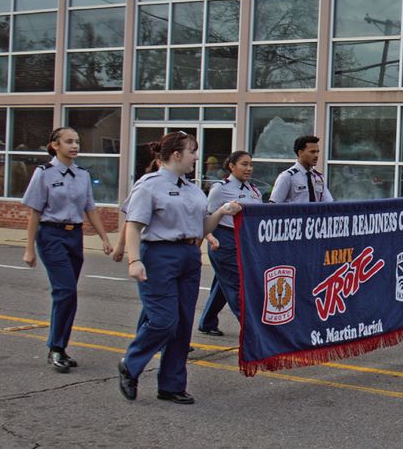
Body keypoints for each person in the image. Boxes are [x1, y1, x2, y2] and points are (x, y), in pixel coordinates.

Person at [117, 132, 240, 404]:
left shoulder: (192, 188)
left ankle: (171, 385)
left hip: (189, 255)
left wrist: (221, 213)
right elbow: (134, 226)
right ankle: (131, 362)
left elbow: (201, 227)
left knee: (183, 323)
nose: (197, 157)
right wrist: (134, 260)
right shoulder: (149, 185)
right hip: (159, 255)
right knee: (163, 320)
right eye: (193, 151)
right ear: (176, 155)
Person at [21, 126, 114, 373]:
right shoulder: (44, 173)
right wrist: (28, 248)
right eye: (69, 141)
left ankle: (60, 345)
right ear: (55, 145)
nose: (75, 146)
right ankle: (56, 348)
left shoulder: (82, 175)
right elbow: (34, 212)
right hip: (51, 235)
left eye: (77, 142)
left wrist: (104, 238)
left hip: (75, 237)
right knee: (65, 291)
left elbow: (90, 208)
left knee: (70, 294)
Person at [198, 151, 262, 336]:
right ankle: (253, 329)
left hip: (245, 240)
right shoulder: (220, 188)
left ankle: (207, 322)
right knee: (237, 284)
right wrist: (210, 238)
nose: (249, 168)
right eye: (244, 164)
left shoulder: (253, 189)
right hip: (224, 240)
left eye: (250, 164)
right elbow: (207, 216)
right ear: (232, 166)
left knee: (222, 283)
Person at [270, 135, 332, 203]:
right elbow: (273, 206)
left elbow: (329, 204)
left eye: (317, 152)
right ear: (300, 153)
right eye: (312, 152)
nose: (316, 155)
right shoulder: (287, 177)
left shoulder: (318, 177)